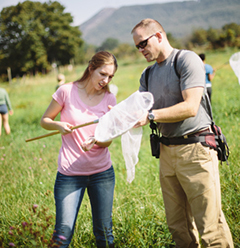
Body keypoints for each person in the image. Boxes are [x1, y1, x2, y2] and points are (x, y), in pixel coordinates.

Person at [131, 19, 233, 248]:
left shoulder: (186, 60)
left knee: (210, 227)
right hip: (166, 152)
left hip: (195, 150)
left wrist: (151, 116)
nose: (140, 50)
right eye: (137, 46)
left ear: (158, 36)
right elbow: (137, 109)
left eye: (143, 43)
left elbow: (190, 107)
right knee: (179, 228)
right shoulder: (146, 75)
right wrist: (117, 116)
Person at [40, 51, 118, 248]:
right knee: (62, 234)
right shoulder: (66, 91)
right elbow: (45, 120)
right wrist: (58, 125)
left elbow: (108, 140)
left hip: (102, 173)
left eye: (110, 76)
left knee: (104, 233)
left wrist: (98, 140)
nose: (106, 80)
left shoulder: (110, 99)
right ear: (91, 68)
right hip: (70, 175)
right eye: (103, 74)